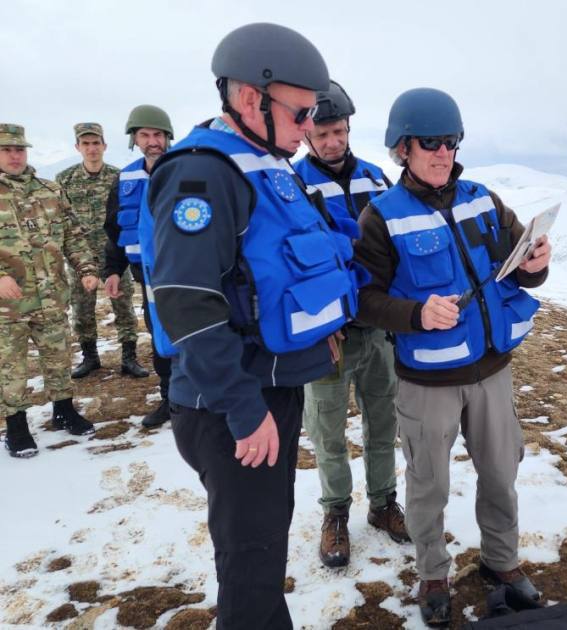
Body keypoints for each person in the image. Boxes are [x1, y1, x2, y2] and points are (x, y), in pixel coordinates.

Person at [147, 23, 364, 629]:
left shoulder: (267, 164)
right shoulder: (204, 174)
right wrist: (242, 408)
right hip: (229, 406)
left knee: (263, 550)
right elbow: (186, 302)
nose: (308, 130)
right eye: (300, 115)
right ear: (251, 99)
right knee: (249, 563)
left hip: (268, 388)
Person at [354, 87, 551, 627]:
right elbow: (364, 301)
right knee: (428, 485)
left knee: (499, 474)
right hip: (427, 383)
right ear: (401, 149)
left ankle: (502, 563)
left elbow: (521, 267)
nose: (443, 152)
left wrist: (537, 261)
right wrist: (417, 315)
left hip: (492, 371)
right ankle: (434, 573)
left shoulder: (484, 199)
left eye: (451, 141)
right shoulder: (381, 217)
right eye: (429, 142)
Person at [292, 81, 408, 568]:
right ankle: (335, 513)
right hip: (329, 335)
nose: (332, 141)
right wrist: (320, 322)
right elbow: (293, 262)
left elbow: (395, 251)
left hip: (376, 329)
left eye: (338, 131)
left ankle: (383, 503)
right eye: (322, 133)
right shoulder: (292, 184)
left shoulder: (378, 180)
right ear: (306, 135)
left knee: (383, 423)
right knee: (328, 431)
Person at [0, 123, 99, 458]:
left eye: (19, 150)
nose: (15, 156)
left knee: (58, 357)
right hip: (8, 305)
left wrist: (86, 269)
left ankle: (64, 411)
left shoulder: (50, 191)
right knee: (11, 366)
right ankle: (16, 428)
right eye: (7, 150)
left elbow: (73, 235)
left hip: (52, 296)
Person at [56, 123, 146, 379]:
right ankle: (90, 357)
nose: (91, 149)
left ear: (104, 146)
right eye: (86, 144)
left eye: (96, 143)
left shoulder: (118, 177)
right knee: (82, 309)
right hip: (80, 257)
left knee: (123, 305)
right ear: (78, 147)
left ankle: (129, 357)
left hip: (114, 255)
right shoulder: (65, 180)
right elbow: (62, 220)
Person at [102, 105, 174, 427]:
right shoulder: (126, 177)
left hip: (185, 271)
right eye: (144, 135)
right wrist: (113, 270)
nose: (152, 141)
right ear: (135, 139)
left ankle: (202, 396)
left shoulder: (184, 170)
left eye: (157, 134)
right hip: (145, 275)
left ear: (168, 137)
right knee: (159, 335)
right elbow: (114, 228)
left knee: (194, 331)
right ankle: (171, 399)